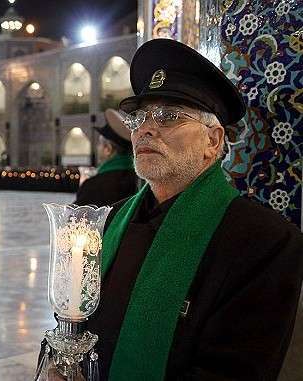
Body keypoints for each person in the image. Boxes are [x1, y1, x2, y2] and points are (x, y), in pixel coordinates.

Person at [41, 38, 303, 380]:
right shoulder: (110, 222)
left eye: (169, 116)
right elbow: (74, 324)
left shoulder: (266, 242)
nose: (146, 129)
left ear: (213, 141)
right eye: (139, 118)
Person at [74, 109, 138, 207]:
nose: (97, 147)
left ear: (108, 149)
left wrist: (84, 186)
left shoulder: (94, 186)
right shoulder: (140, 180)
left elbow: (75, 219)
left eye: (99, 144)